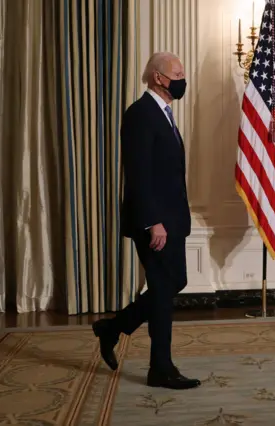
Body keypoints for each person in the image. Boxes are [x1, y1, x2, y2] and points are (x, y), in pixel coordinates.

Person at [92, 52, 200, 390]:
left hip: (172, 219)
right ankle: (161, 367)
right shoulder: (140, 114)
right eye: (177, 73)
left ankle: (112, 328)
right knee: (164, 290)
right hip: (155, 222)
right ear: (157, 77)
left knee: (172, 283)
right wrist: (153, 221)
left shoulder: (164, 114)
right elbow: (138, 174)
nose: (183, 79)